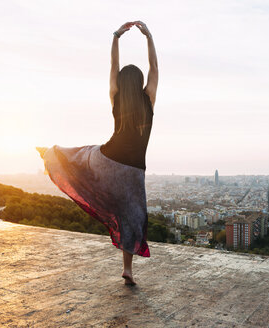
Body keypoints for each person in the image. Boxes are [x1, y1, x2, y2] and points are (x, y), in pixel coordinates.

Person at [37, 21, 158, 286]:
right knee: (131, 217)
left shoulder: (115, 98)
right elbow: (154, 69)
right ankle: (128, 268)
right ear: (139, 84)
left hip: (107, 160)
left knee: (81, 156)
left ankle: (50, 153)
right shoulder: (148, 100)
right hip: (134, 171)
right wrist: (149, 37)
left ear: (121, 85)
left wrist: (116, 37)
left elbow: (113, 68)